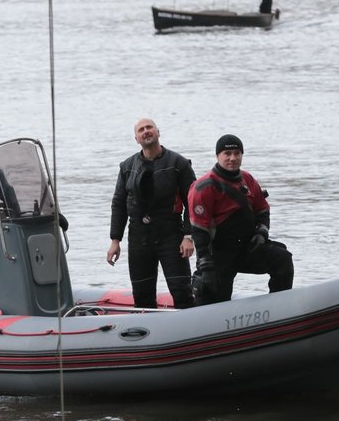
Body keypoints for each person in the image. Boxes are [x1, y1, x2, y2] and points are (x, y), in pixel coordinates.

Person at [187, 134, 293, 306]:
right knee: (213, 297)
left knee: (282, 259)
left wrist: (261, 234)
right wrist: (205, 264)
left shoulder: (248, 179)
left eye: (237, 153)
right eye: (227, 154)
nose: (232, 158)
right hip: (219, 254)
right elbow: (199, 230)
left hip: (248, 248)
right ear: (217, 156)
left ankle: (280, 309)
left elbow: (263, 209)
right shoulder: (204, 187)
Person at [107, 118, 196, 309]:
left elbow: (192, 202)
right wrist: (115, 240)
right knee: (142, 295)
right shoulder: (127, 166)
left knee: (182, 291)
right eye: (141, 130)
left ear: (158, 132)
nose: (146, 131)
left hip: (171, 234)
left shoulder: (178, 163)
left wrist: (189, 236)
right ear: (136, 138)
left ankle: (188, 328)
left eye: (149, 128)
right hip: (139, 236)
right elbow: (118, 203)